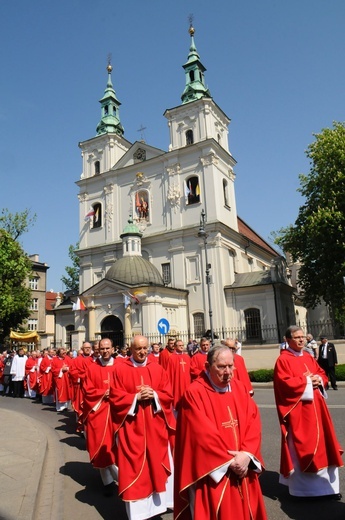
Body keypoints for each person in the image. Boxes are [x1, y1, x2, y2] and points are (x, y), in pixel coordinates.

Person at [174, 345, 267, 520]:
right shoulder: (194, 393)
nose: (228, 372)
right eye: (221, 367)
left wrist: (246, 455)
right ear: (208, 367)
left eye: (230, 366)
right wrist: (231, 462)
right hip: (214, 471)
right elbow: (200, 434)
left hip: (243, 466)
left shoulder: (240, 388)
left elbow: (254, 423)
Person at [110, 334, 175, 520]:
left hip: (155, 429)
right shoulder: (120, 369)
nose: (142, 352)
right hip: (132, 429)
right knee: (134, 469)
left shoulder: (157, 368)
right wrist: (135, 398)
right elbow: (115, 398)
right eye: (138, 348)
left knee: (156, 465)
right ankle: (138, 514)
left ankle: (155, 509)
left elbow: (167, 394)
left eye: (145, 348)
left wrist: (154, 395)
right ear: (130, 349)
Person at [274, 325, 343, 499]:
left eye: (302, 337)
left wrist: (319, 379)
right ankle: (303, 491)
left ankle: (327, 489)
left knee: (324, 446)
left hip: (318, 410)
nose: (301, 340)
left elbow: (321, 373)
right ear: (288, 340)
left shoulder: (307, 356)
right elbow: (284, 385)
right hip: (299, 412)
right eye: (297, 337)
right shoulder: (283, 360)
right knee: (305, 447)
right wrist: (306, 381)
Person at [82, 338, 118, 496]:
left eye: (107, 348)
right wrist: (103, 393)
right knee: (101, 445)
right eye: (102, 348)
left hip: (118, 411)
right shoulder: (92, 368)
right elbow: (87, 390)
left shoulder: (121, 366)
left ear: (112, 349)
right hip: (100, 411)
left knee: (117, 446)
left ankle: (122, 479)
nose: (105, 351)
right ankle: (108, 482)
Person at [69, 341, 93, 432]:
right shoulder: (76, 360)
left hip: (91, 388)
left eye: (89, 348)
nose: (87, 349)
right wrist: (82, 376)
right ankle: (81, 426)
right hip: (81, 387)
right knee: (81, 406)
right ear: (82, 349)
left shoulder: (94, 360)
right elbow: (72, 372)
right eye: (85, 347)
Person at [166, 339, 191, 414]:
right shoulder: (172, 358)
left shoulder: (187, 357)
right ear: (175, 347)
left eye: (182, 345)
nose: (181, 347)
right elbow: (169, 373)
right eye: (179, 345)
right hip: (177, 383)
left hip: (187, 382)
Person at [51, 347, 73, 411]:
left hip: (67, 378)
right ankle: (60, 407)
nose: (64, 353)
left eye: (65, 352)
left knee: (67, 391)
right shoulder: (54, 360)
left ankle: (66, 406)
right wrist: (61, 369)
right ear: (59, 353)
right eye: (62, 352)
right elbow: (53, 370)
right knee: (60, 391)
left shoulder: (68, 358)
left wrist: (68, 368)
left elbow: (72, 367)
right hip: (59, 378)